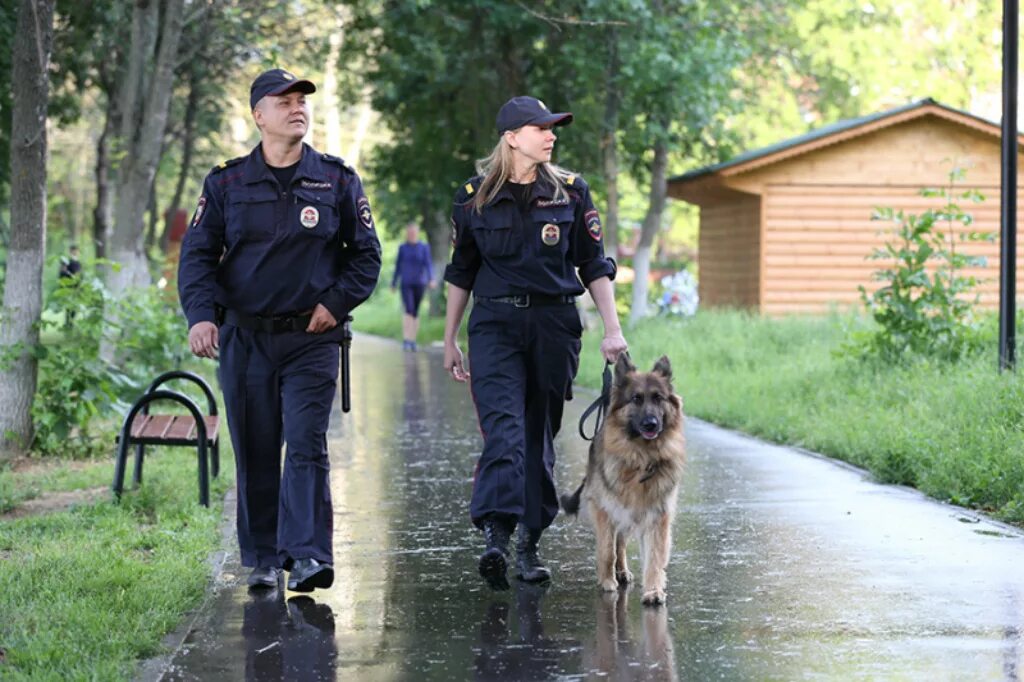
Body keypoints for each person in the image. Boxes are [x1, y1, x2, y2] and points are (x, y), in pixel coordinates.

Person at [177, 68, 382, 593]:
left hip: (311, 339)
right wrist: (201, 315)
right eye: (284, 101)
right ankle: (265, 558)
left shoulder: (337, 179)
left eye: (302, 101)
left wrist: (335, 304)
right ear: (258, 115)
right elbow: (198, 255)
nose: (297, 108)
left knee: (307, 443)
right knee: (257, 446)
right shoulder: (225, 182)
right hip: (244, 339)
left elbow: (366, 256)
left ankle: (309, 554)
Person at [443, 96, 628, 590]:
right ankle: (495, 537)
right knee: (503, 430)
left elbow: (594, 264)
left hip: (553, 326)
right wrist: (449, 339)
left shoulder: (571, 193)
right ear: (511, 137)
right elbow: (461, 273)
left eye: (553, 128)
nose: (550, 135)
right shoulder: (472, 197)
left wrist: (613, 331)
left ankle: (529, 542)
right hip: (495, 327)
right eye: (540, 128)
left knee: (536, 437)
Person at [390, 221, 435, 351]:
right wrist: (393, 282)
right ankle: (406, 339)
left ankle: (413, 340)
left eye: (413, 232)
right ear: (407, 234)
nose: (411, 234)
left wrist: (431, 278)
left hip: (420, 283)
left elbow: (428, 264)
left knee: (415, 312)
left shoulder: (424, 247)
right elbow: (398, 266)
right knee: (408, 310)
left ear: (417, 233)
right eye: (409, 232)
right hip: (406, 283)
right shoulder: (402, 248)